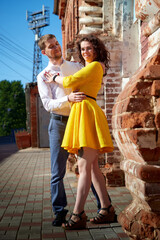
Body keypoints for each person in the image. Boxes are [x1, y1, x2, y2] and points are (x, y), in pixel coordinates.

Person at [45, 34, 117, 230]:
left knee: (84, 167)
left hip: (87, 114)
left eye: (89, 48)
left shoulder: (95, 66)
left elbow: (69, 82)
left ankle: (78, 214)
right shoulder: (87, 67)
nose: (86, 52)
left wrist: (54, 77)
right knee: (92, 168)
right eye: (83, 49)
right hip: (82, 113)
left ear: (96, 49)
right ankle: (106, 209)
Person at [37, 34, 101, 227]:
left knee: (87, 165)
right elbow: (47, 104)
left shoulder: (76, 66)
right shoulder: (43, 76)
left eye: (57, 44)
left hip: (80, 120)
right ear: (44, 52)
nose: (56, 48)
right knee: (57, 172)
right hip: (58, 124)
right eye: (51, 46)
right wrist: (68, 100)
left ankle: (102, 206)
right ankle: (59, 211)